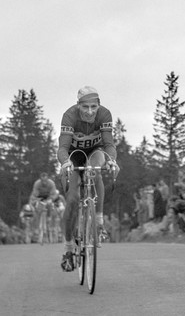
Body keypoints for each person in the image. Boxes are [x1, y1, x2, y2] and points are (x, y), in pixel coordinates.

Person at [57, 86, 118, 272]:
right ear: (78, 106)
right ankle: (68, 249)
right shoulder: (69, 116)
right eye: (85, 107)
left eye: (94, 107)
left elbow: (109, 144)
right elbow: (62, 147)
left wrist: (112, 161)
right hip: (73, 156)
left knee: (95, 170)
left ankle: (98, 223)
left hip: (94, 152)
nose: (90, 111)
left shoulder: (104, 114)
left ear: (98, 105)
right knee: (73, 199)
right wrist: (65, 163)